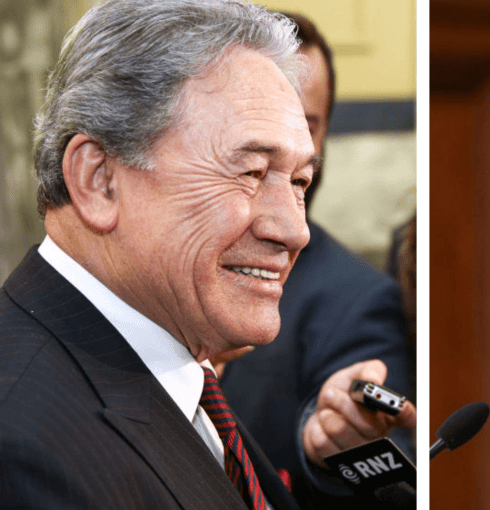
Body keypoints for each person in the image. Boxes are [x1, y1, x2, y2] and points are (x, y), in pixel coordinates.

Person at [0, 1, 410, 508]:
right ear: (99, 181)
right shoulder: (23, 446)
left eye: (300, 180)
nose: (294, 230)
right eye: (251, 173)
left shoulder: (180, 366)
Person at [219, 12, 414, 509]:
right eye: (262, 132)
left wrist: (331, 446)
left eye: (306, 128)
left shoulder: (356, 298)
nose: (290, 156)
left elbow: (389, 461)